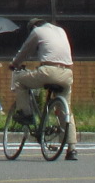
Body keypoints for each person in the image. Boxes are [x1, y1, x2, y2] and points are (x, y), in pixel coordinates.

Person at [11, 17, 77, 160]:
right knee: (66, 111)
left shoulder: (37, 31)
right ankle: (71, 149)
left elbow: (25, 51)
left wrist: (15, 64)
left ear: (33, 26)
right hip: (67, 74)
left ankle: (26, 114)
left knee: (20, 81)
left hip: (49, 71)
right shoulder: (61, 30)